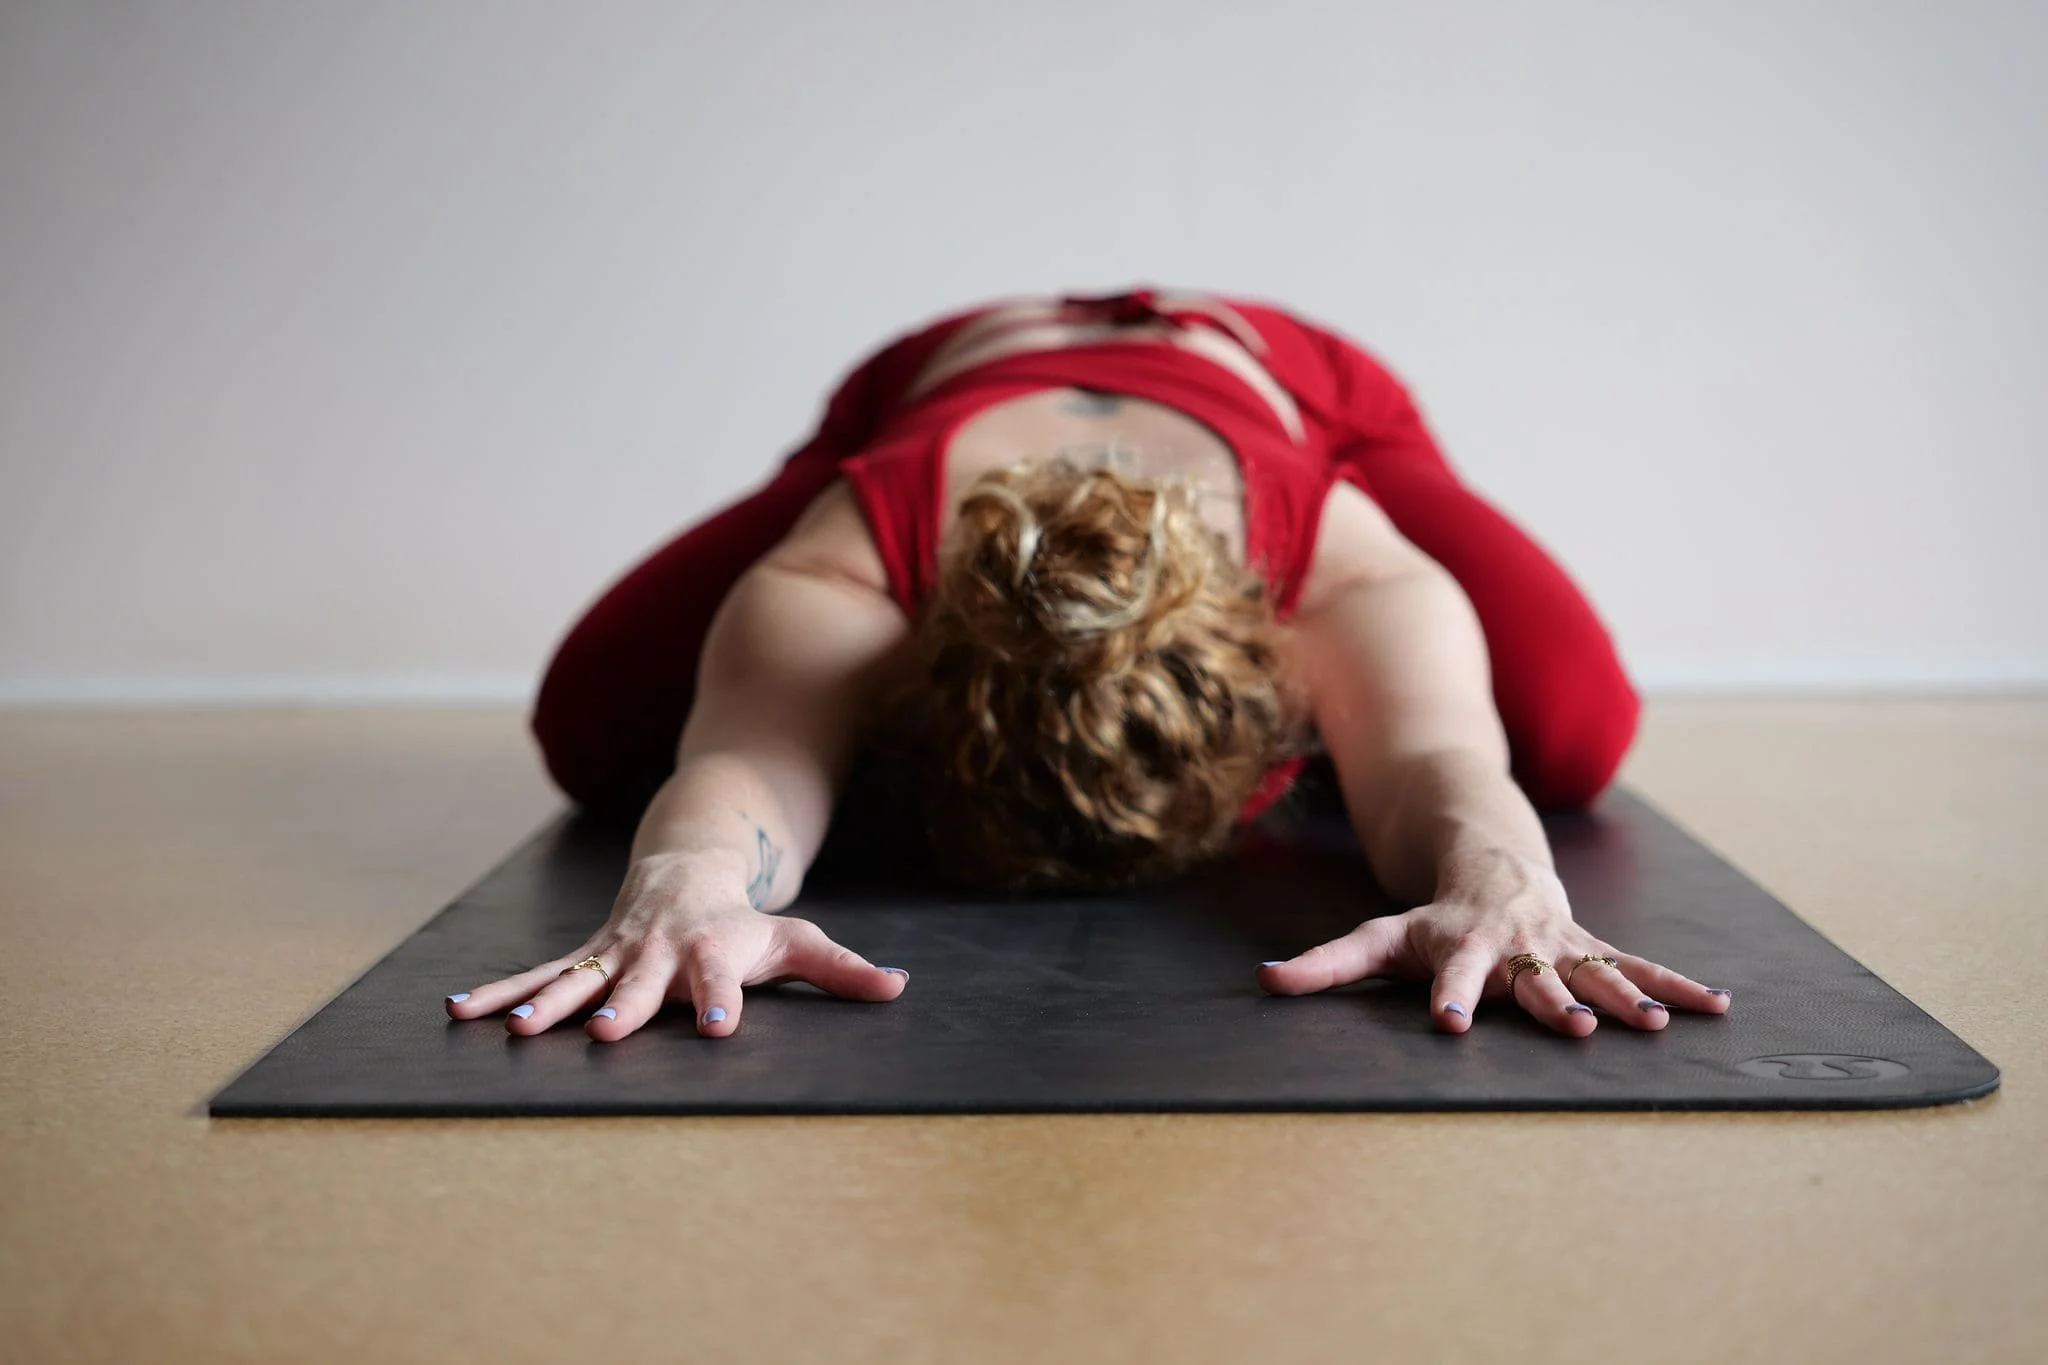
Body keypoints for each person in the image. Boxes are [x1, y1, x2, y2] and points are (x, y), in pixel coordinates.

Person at [444, 287, 1732, 1043]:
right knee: (596, 738)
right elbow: (748, 756)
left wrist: (1503, 889)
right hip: (934, 378)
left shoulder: (1339, 566)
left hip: (1285, 378)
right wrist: (689, 886)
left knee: (1570, 734)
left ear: (1289, 690)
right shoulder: (853, 558)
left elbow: (1437, 760)